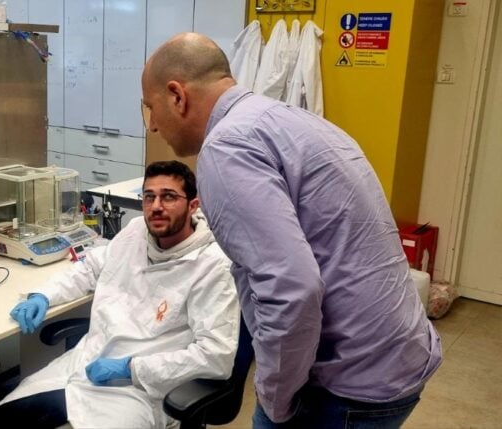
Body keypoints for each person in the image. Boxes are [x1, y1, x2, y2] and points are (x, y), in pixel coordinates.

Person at [141, 33, 442, 428]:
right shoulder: (292, 120)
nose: (153, 127)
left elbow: (291, 289)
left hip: (351, 382)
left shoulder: (226, 147)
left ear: (177, 96)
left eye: (150, 109)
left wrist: (275, 401)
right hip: (402, 351)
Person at [0, 160, 241, 429]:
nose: (156, 206)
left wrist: (131, 368)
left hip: (140, 391)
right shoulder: (136, 232)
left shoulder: (212, 265)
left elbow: (215, 356)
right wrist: (43, 295)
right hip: (81, 365)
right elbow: (90, 268)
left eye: (168, 197)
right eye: (149, 197)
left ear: (192, 205)